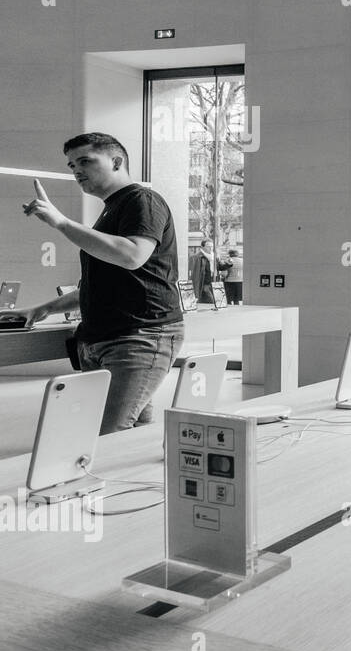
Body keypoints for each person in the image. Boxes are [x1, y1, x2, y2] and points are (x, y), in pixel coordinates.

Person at [16, 132, 185, 434]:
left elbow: (133, 256)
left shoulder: (142, 201)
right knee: (132, 435)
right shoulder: (112, 208)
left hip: (139, 337)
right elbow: (102, 284)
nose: (76, 170)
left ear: (117, 161)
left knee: (108, 434)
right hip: (105, 340)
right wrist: (42, 309)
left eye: (85, 161)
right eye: (71, 165)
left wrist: (62, 223)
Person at [189, 237, 217, 304]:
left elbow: (218, 267)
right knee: (212, 301)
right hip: (204, 283)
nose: (210, 248)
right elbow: (193, 273)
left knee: (210, 302)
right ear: (202, 247)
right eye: (208, 246)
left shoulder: (213, 257)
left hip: (213, 282)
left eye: (212, 246)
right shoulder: (197, 257)